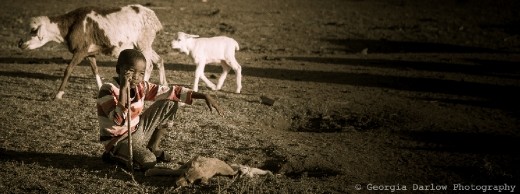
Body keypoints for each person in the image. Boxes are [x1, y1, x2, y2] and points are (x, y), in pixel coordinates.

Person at [97, 49, 222, 170]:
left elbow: (171, 91)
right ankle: (112, 155)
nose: (136, 77)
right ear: (119, 69)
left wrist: (203, 95)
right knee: (148, 161)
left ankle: (153, 148)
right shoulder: (108, 90)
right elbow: (118, 121)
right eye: (131, 71)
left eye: (141, 73)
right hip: (118, 141)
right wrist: (124, 89)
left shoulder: (142, 86)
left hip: (137, 131)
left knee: (170, 102)